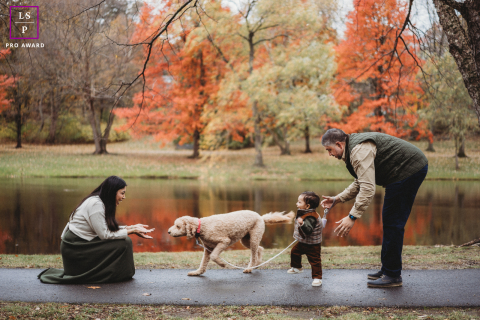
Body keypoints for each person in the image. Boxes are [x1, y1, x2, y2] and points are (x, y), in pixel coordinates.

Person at [320, 128, 428, 288]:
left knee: (393, 223)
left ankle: (392, 275)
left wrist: (352, 217)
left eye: (329, 150)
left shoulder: (358, 151)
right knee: (390, 221)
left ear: (339, 144)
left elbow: (368, 189)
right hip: (400, 172)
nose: (329, 154)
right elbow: (361, 181)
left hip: (407, 170)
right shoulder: (353, 149)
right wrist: (337, 199)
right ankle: (388, 270)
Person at [38, 176, 154, 284]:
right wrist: (131, 231)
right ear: (112, 192)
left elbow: (104, 227)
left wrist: (131, 227)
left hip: (83, 243)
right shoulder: (96, 204)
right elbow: (104, 234)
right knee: (124, 242)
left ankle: (116, 274)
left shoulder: (100, 202)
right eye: (122, 193)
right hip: (76, 246)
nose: (124, 197)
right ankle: (113, 275)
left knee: (125, 241)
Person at [287, 191, 323, 287]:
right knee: (294, 252)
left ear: (307, 206)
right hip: (303, 242)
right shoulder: (305, 212)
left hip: (313, 244)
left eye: (299, 202)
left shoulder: (311, 217)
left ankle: (317, 278)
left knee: (315, 261)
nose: (296, 203)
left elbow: (308, 230)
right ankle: (297, 267)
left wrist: (302, 223)